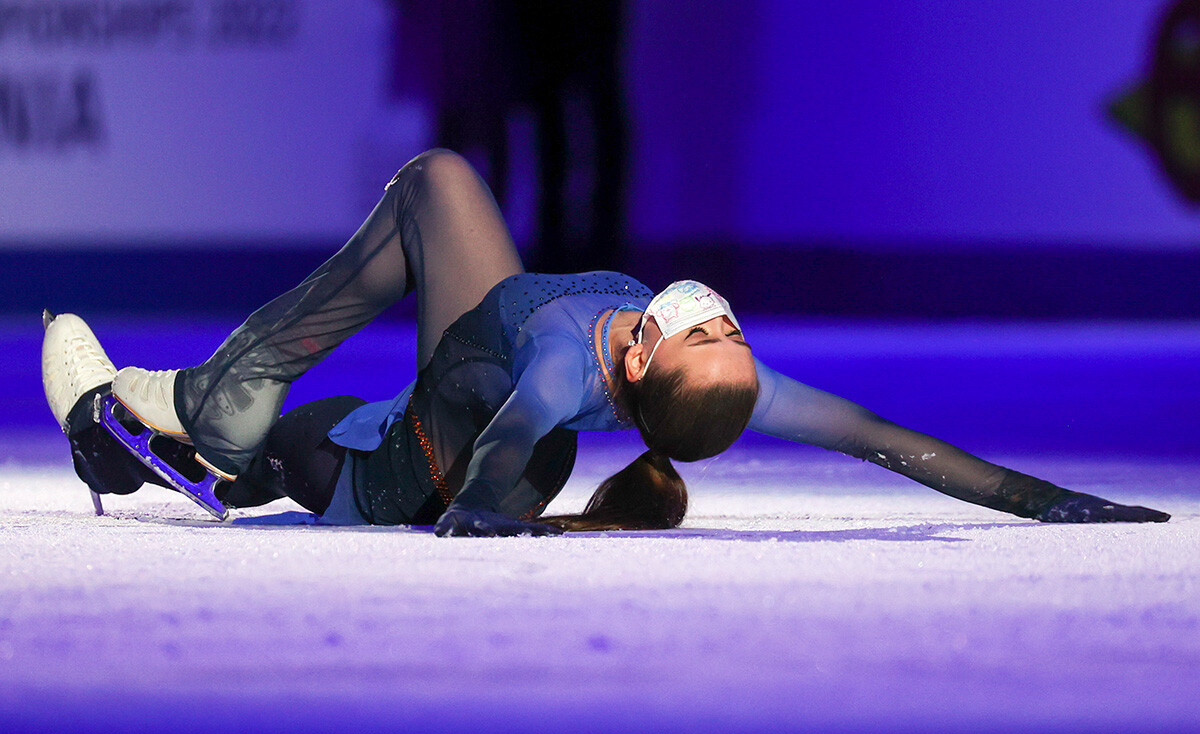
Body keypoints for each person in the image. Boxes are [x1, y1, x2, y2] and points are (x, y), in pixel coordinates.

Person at [42, 149, 1170, 535]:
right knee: (445, 200)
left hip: (367, 471)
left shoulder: (562, 364)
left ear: (639, 362)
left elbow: (516, 434)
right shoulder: (665, 372)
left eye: (708, 332)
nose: (720, 318)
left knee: (435, 185)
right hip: (436, 416)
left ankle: (214, 407)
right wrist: (1051, 499)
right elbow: (882, 436)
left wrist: (485, 515)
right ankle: (208, 426)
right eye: (732, 331)